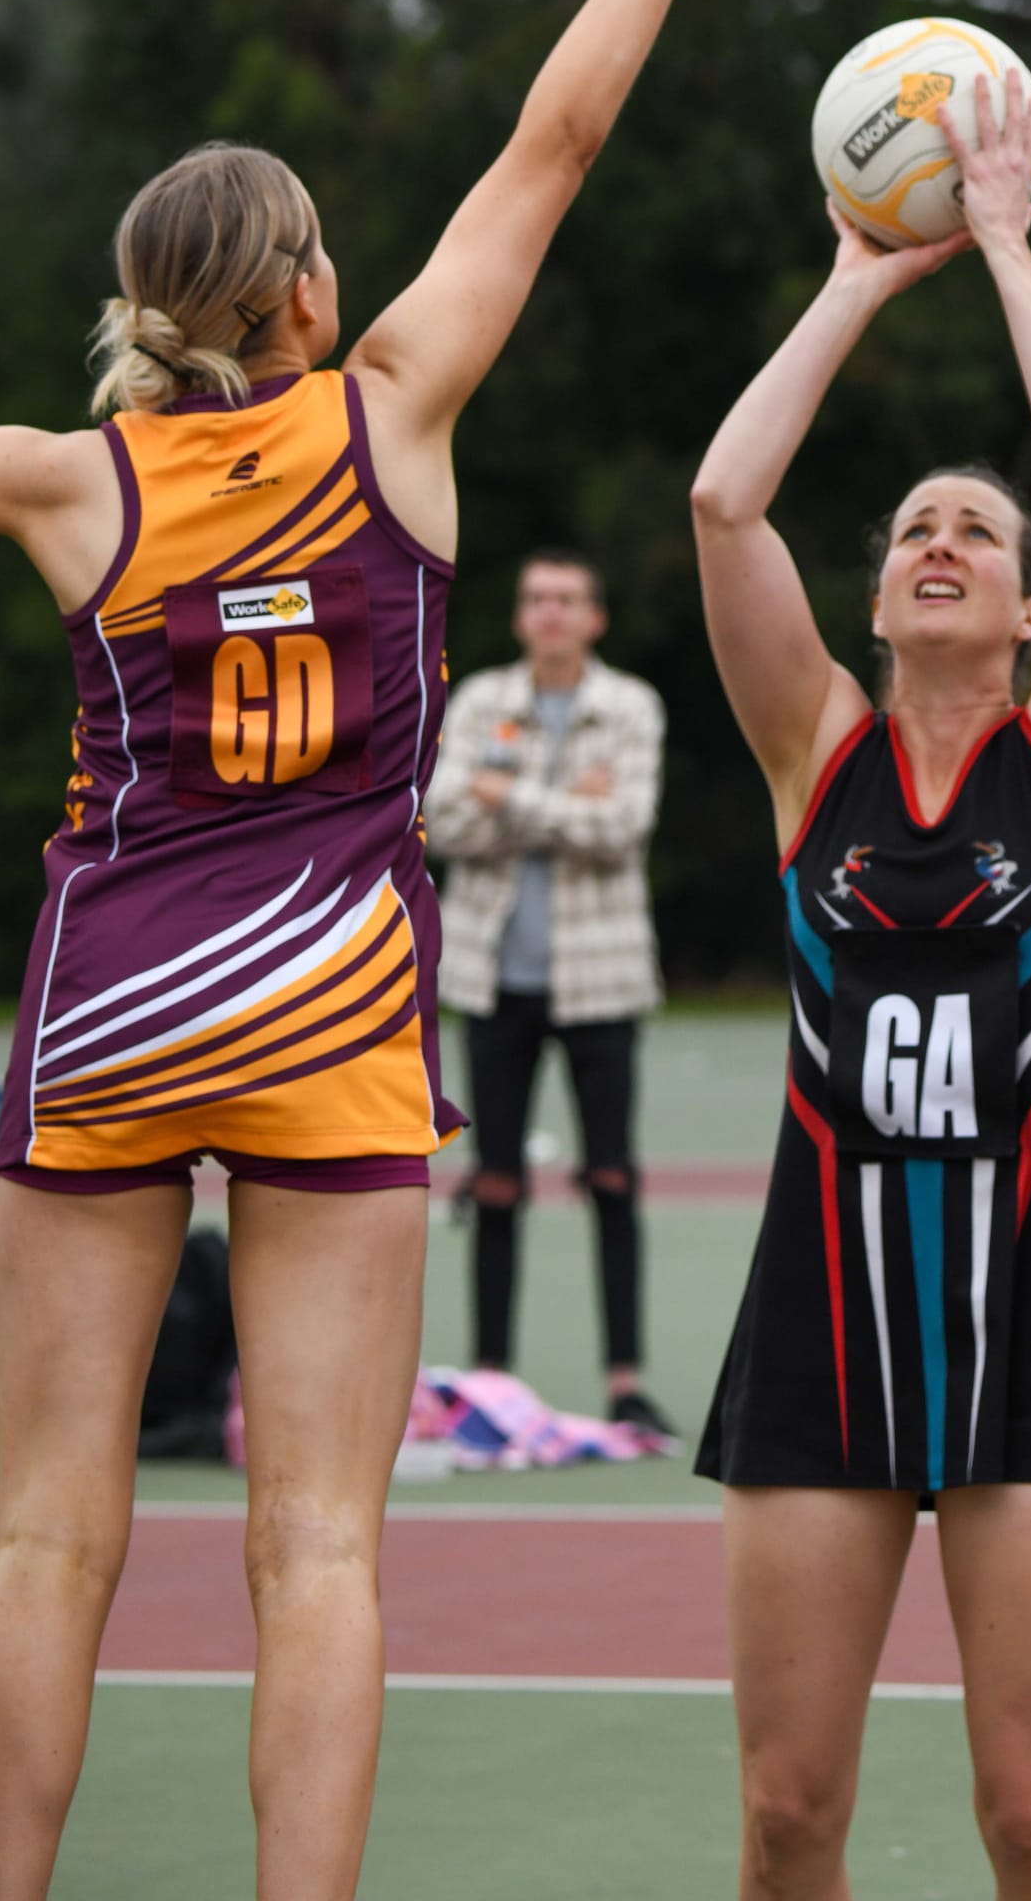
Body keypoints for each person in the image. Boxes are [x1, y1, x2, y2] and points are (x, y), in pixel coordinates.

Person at [0, 0, 806, 1901]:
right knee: (318, 1543)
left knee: (48, 1529)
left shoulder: (57, 475)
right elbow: (557, 138)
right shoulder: (395, 407)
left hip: (109, 1002)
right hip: (329, 1009)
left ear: (140, 304)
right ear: (307, 294)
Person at [691, 67, 1031, 1901]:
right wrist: (861, 270)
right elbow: (723, 500)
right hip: (820, 1339)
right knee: (786, 1818)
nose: (938, 542)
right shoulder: (815, 755)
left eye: (980, 534)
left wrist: (1005, 246)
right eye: (915, 527)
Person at [428, 547, 674, 1436]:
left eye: (569, 599)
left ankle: (625, 1379)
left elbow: (623, 829)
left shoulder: (631, 706)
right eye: (537, 598)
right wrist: (562, 799)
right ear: (521, 615)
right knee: (493, 1181)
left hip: (601, 980)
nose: (552, 613)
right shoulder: (481, 700)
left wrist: (508, 796)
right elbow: (443, 822)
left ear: (595, 617)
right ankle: (492, 1381)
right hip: (493, 980)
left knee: (612, 1177)